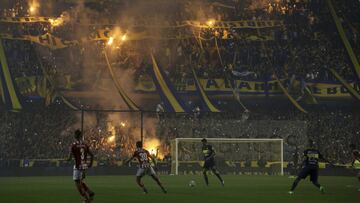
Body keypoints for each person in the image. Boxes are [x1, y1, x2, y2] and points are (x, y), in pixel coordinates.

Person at [67, 130, 94, 203]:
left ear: (75, 136)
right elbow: (92, 155)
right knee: (81, 181)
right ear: (81, 136)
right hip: (84, 166)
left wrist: (66, 159)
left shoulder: (73, 145)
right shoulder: (85, 145)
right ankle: (90, 192)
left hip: (78, 166)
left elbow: (69, 158)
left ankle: (87, 199)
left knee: (77, 184)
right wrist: (90, 164)